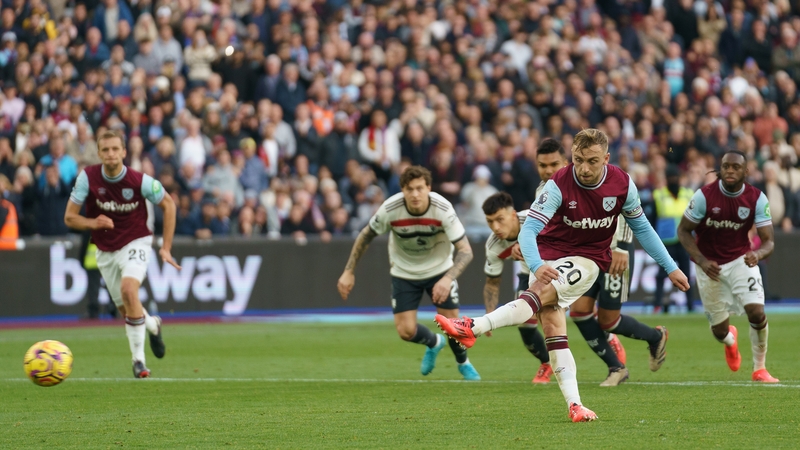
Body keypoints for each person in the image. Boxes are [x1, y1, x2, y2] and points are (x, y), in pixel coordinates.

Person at [436, 129, 690, 422]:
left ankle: (472, 327)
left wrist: (670, 266)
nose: (584, 168)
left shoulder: (622, 184)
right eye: (578, 160)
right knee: (554, 328)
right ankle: (575, 405)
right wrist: (536, 264)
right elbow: (530, 230)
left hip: (589, 258)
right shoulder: (557, 184)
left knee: (546, 297)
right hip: (550, 254)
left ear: (606, 158)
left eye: (592, 161)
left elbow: (642, 228)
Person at [337, 165, 480, 380]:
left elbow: (466, 251)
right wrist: (348, 271)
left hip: (439, 270)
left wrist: (447, 278)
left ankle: (463, 363)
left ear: (429, 188)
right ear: (402, 189)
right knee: (405, 331)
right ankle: (434, 343)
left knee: (453, 326)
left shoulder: (442, 208)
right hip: (405, 272)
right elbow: (365, 236)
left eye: (420, 188)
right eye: (410, 189)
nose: (415, 194)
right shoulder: (390, 208)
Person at [64, 130, 181, 378]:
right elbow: (70, 217)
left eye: (115, 149)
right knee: (127, 311)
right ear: (99, 153)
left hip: (136, 241)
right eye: (105, 150)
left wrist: (166, 246)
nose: (111, 154)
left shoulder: (140, 181)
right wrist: (92, 223)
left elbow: (169, 204)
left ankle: (138, 361)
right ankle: (152, 324)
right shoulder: (88, 178)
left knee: (130, 291)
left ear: (124, 152)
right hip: (105, 250)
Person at [677, 151, 779, 383]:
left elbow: (769, 241)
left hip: (741, 261)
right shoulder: (704, 196)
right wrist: (701, 261)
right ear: (720, 169)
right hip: (709, 266)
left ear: (746, 171)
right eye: (726, 166)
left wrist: (758, 253)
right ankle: (730, 340)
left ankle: (759, 369)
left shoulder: (756, 198)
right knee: (720, 331)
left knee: (757, 312)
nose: (730, 171)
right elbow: (683, 231)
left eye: (735, 167)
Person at [652, 164, 695, 313]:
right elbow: (652, 217)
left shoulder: (688, 194)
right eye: (671, 178)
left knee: (686, 274)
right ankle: (657, 304)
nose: (673, 180)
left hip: (684, 241)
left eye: (675, 177)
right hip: (665, 241)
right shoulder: (658, 195)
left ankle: (690, 305)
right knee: (661, 275)